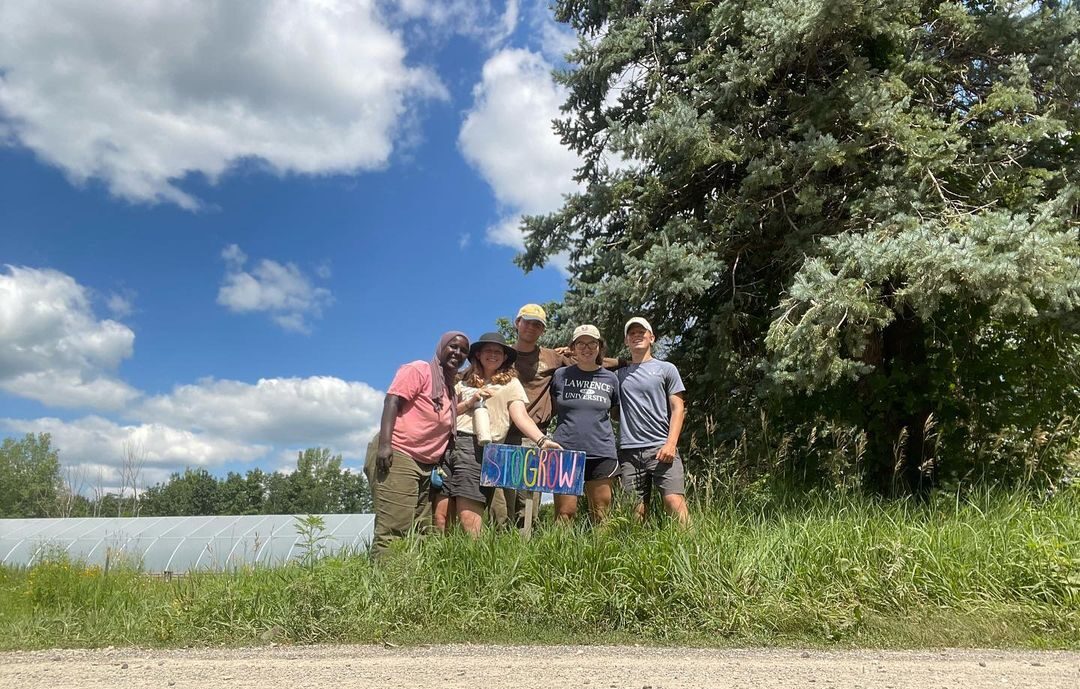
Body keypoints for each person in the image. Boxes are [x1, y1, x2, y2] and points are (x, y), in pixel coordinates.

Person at [435, 332, 561, 535]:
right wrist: (469, 402)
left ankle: (475, 561)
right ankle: (446, 562)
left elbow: (521, 416)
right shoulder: (463, 381)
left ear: (504, 358)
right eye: (487, 350)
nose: (492, 355)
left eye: (498, 352)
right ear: (477, 354)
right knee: (441, 517)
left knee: (468, 517)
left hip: (478, 447)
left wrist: (542, 440)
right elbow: (446, 413)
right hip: (448, 444)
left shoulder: (510, 384)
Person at [364, 331, 469, 556]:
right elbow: (392, 400)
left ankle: (411, 583)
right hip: (399, 454)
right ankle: (385, 586)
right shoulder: (420, 370)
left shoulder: (449, 387)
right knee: (394, 528)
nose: (457, 353)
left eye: (463, 351)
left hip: (425, 465)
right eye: (453, 346)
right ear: (441, 347)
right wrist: (385, 445)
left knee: (422, 530)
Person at [617, 317, 690, 525]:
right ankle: (638, 554)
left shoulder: (666, 369)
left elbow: (678, 408)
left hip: (661, 448)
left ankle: (696, 552)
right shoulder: (619, 374)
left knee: (674, 502)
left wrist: (671, 443)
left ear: (652, 337)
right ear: (626, 341)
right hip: (630, 453)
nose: (637, 335)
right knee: (635, 512)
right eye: (632, 333)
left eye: (642, 332)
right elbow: (594, 362)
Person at [550, 324, 621, 523]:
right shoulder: (560, 375)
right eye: (580, 343)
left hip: (601, 451)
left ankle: (600, 554)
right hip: (565, 450)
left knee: (601, 514)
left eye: (592, 343)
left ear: (599, 347)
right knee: (565, 513)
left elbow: (614, 410)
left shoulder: (611, 378)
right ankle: (560, 554)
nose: (586, 348)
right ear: (572, 347)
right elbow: (555, 406)